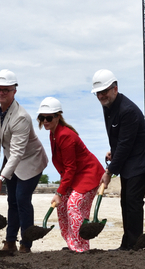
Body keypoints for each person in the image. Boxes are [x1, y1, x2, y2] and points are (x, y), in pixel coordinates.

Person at [91, 69, 145, 250]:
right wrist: (113, 150)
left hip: (141, 160)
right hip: (128, 159)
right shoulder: (108, 105)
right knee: (125, 201)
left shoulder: (128, 110)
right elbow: (118, 137)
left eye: (105, 91)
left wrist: (109, 171)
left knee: (133, 201)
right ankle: (127, 243)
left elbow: (126, 143)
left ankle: (134, 245)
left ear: (115, 89)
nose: (101, 95)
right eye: (98, 93)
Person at [0, 69, 49, 253]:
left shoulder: (21, 117)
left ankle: (26, 244)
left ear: (15, 90)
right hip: (12, 159)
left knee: (22, 199)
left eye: (6, 89)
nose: (2, 93)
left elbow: (17, 153)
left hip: (30, 160)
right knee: (12, 202)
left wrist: (0, 179)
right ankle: (9, 241)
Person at [37, 97, 103, 252]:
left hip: (88, 175)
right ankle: (72, 244)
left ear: (58, 116)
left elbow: (70, 168)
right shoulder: (53, 133)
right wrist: (61, 192)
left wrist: (60, 191)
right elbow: (66, 169)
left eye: (48, 117)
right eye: (41, 117)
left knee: (73, 206)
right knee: (61, 207)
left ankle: (80, 247)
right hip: (75, 176)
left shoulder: (65, 135)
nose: (44, 121)